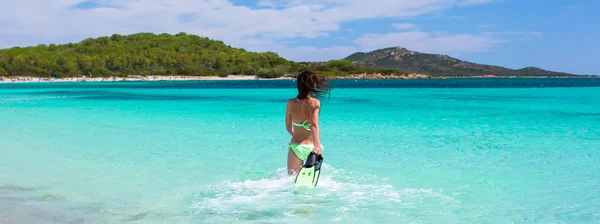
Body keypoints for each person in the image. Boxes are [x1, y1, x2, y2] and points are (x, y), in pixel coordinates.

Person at [285, 70, 331, 175]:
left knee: (291, 179)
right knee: (312, 180)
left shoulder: (290, 103)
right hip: (312, 147)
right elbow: (314, 125)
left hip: (296, 146)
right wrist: (317, 146)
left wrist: (296, 135)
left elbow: (288, 127)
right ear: (313, 84)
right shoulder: (314, 103)